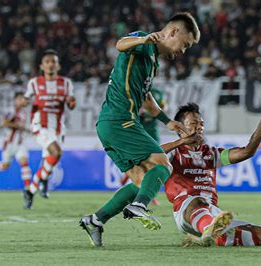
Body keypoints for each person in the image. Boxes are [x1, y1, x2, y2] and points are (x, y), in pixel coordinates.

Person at [79, 12, 200, 247]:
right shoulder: (145, 42)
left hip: (111, 124)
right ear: (173, 32)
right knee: (163, 163)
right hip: (120, 120)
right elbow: (120, 44)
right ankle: (139, 206)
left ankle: (95, 220)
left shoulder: (152, 61)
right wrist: (143, 40)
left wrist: (168, 122)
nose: (183, 51)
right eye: (184, 44)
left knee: (141, 181)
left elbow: (146, 98)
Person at [162, 101, 261, 246]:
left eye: (201, 123)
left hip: (213, 212)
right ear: (180, 128)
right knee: (198, 201)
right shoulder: (173, 153)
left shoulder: (212, 154)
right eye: (193, 123)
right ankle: (209, 230)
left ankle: (211, 236)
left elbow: (247, 152)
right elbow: (149, 155)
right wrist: (181, 142)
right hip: (186, 209)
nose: (199, 127)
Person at [23, 49, 76, 209]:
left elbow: (71, 104)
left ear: (58, 65)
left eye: (54, 61)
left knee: (51, 159)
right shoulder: (34, 83)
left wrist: (71, 102)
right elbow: (26, 99)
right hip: (41, 125)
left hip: (59, 128)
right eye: (47, 62)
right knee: (56, 152)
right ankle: (42, 180)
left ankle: (31, 190)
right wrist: (23, 102)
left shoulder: (66, 83)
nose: (51, 64)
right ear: (42, 66)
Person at [120, 87, 165, 205]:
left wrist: (155, 110)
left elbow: (163, 107)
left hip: (152, 133)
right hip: (138, 132)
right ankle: (148, 194)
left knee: (153, 164)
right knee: (142, 164)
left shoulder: (157, 93)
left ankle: (144, 191)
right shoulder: (134, 91)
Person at [0, 92, 32, 199]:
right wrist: (18, 126)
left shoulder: (23, 113)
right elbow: (4, 123)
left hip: (20, 144)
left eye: (23, 99)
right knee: (6, 166)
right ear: (15, 100)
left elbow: (20, 127)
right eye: (20, 99)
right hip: (9, 144)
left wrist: (26, 130)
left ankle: (28, 189)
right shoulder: (11, 111)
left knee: (24, 162)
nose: (22, 101)